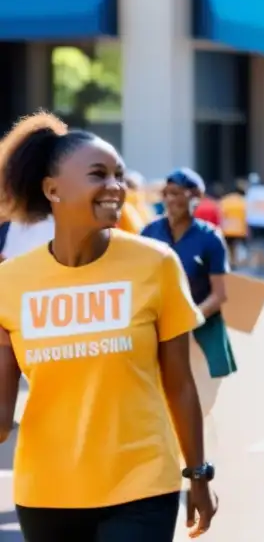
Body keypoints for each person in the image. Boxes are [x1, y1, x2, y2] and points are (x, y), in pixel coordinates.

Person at [0, 113, 216, 541]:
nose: (116, 187)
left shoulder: (155, 264)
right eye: (99, 175)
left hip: (141, 483)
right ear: (52, 189)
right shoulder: (10, 281)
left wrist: (198, 474)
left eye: (119, 175)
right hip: (46, 492)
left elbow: (180, 383)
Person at [141, 169, 237, 423]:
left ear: (196, 197)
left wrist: (192, 317)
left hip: (201, 326)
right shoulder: (149, 234)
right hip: (162, 328)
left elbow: (220, 294)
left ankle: (197, 445)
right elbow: (138, 283)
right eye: (166, 193)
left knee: (203, 398)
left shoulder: (210, 238)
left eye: (178, 193)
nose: (171, 200)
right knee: (162, 398)